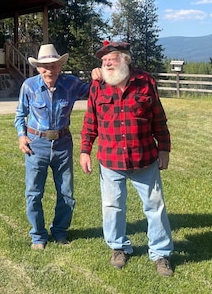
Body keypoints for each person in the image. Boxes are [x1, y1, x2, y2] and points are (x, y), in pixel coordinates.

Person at [79, 41, 175, 276]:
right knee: (112, 207)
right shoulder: (98, 86)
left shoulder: (145, 82)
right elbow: (91, 120)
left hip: (144, 159)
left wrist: (164, 148)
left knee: (155, 206)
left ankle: (161, 253)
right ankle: (118, 247)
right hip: (110, 160)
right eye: (103, 61)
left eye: (111, 58)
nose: (106, 63)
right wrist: (84, 150)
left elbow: (158, 117)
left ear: (125, 60)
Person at [14, 44, 90, 250]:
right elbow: (20, 115)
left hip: (63, 143)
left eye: (53, 65)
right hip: (35, 144)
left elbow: (95, 92)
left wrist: (99, 74)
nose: (49, 70)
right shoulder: (29, 86)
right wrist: (22, 137)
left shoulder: (71, 84)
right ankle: (38, 235)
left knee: (66, 192)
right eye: (44, 66)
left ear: (60, 66)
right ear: (38, 68)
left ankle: (60, 232)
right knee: (33, 193)